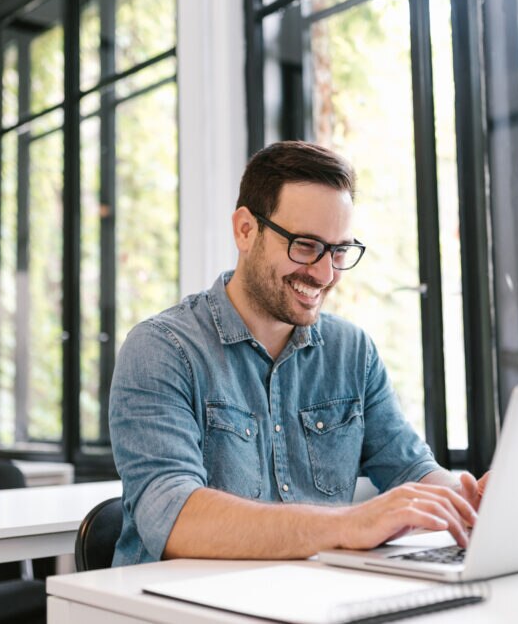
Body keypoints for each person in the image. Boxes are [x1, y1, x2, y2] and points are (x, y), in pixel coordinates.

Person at [109, 140, 488, 566]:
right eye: (305, 245)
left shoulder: (352, 351)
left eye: (339, 251)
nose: (325, 274)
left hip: (310, 598)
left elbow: (411, 469)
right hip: (167, 605)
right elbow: (174, 517)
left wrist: (467, 501)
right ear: (245, 230)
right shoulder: (162, 349)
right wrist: (349, 525)